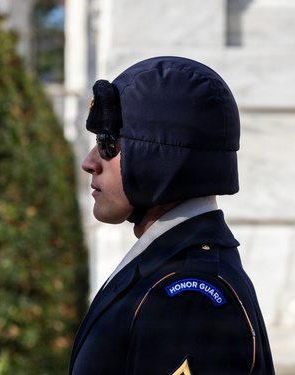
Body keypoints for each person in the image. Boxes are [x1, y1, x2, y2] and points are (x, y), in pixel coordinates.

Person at [69, 56, 274, 375]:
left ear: (160, 155)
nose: (90, 161)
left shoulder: (190, 295)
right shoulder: (168, 268)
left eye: (108, 142)